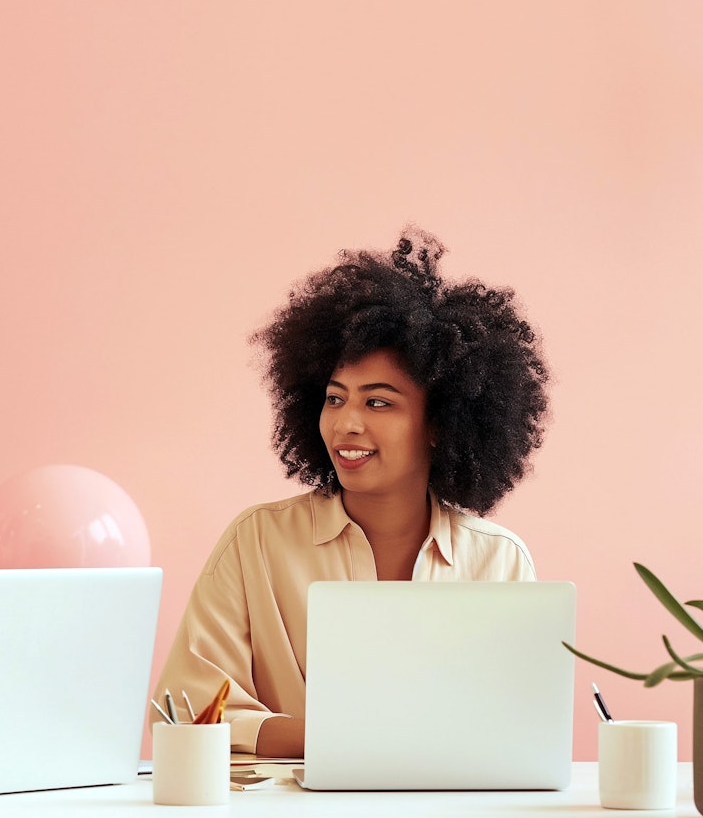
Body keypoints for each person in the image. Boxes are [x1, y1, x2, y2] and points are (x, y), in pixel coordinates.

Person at [153, 228, 551, 764]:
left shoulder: (498, 561)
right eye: (335, 398)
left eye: (379, 403)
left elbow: (517, 729)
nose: (346, 423)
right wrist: (355, 738)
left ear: (440, 423)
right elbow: (186, 713)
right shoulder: (258, 543)